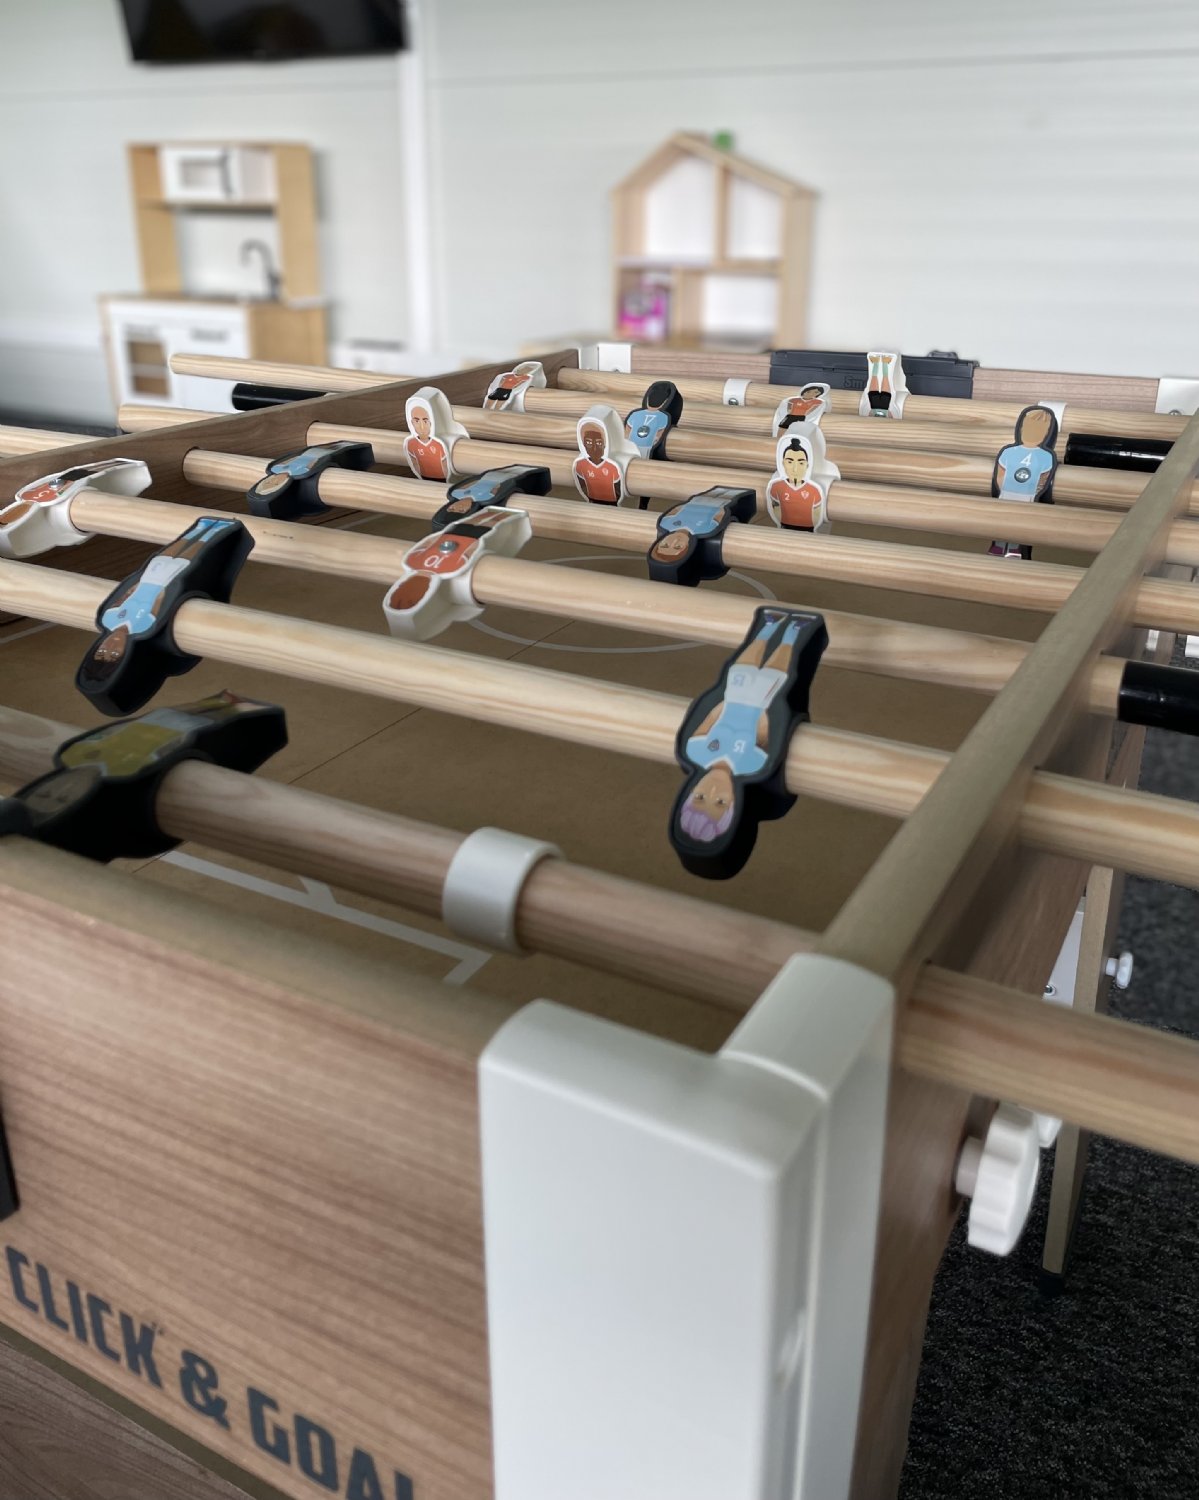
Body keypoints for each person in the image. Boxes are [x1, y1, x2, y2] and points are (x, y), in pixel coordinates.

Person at [677, 611, 807, 845]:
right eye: (720, 802)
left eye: (700, 797)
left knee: (745, 664)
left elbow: (708, 720)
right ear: (733, 802)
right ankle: (793, 631)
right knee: (775, 669)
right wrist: (765, 719)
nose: (713, 790)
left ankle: (767, 628)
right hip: (761, 703)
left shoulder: (696, 751)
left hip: (734, 698)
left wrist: (723, 705)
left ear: (692, 791)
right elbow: (766, 737)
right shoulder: (751, 764)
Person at [82, 517, 238, 678]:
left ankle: (199, 528)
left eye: (102, 651)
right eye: (115, 654)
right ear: (125, 653)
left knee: (166, 555)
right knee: (190, 555)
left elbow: (123, 596)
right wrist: (169, 585)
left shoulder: (108, 619)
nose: (111, 646)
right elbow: (160, 602)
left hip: (146, 579)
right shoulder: (143, 626)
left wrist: (135, 585)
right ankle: (215, 530)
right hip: (166, 582)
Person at [386, 508, 511, 613]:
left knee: (490, 521)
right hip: (452, 536)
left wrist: (477, 541)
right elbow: (427, 543)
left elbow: (469, 551)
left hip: (465, 538)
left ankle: (502, 512)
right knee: (481, 519)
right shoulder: (412, 562)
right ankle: (500, 511)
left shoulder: (448, 569)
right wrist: (440, 535)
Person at [989, 404, 1059, 560]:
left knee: (1012, 521)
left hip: (1015, 495)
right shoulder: (1043, 456)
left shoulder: (1012, 452)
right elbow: (1043, 480)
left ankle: (1008, 548)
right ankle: (1005, 547)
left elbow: (1000, 476)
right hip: (1021, 495)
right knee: (1010, 521)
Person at [766, 437, 825, 531]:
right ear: (783, 463)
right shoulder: (776, 486)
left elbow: (817, 515)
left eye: (801, 463)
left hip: (808, 530)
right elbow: (776, 510)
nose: (795, 469)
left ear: (807, 465)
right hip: (784, 528)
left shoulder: (814, 489)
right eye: (790, 462)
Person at [572, 420, 624, 504]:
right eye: (589, 443)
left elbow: (618, 489)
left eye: (599, 443)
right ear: (584, 444)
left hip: (611, 502)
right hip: (592, 501)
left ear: (604, 445)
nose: (594, 448)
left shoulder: (612, 467)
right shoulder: (580, 464)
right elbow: (582, 485)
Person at [403, 401, 450, 480]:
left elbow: (445, 466)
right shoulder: (411, 443)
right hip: (424, 478)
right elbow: (415, 464)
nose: (422, 426)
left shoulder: (438, 444)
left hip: (442, 479)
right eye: (417, 421)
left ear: (430, 423)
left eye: (425, 421)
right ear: (412, 423)